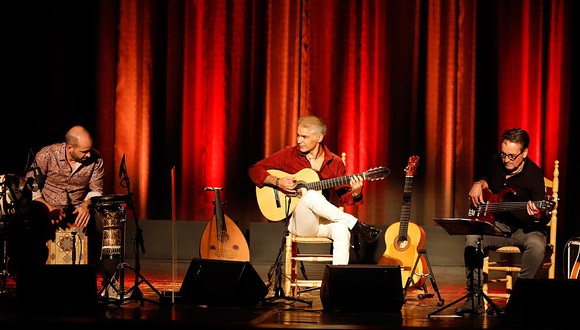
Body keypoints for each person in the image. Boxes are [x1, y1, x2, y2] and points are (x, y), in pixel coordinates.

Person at [248, 115, 382, 265]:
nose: (299, 140)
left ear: (319, 137)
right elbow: (254, 170)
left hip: (324, 222)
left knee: (342, 231)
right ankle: (356, 225)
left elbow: (344, 197)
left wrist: (356, 193)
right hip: (299, 223)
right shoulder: (289, 155)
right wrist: (278, 181)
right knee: (310, 194)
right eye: (298, 135)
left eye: (304, 137)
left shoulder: (335, 162)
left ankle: (336, 283)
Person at [12, 126, 117, 297]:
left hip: (78, 207)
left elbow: (96, 190)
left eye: (89, 150)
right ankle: (29, 280)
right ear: (70, 148)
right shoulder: (47, 155)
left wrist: (86, 205)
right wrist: (48, 208)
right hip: (47, 206)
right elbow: (32, 188)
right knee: (27, 220)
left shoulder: (95, 158)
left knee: (104, 222)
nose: (88, 155)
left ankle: (108, 280)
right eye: (84, 151)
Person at [454, 128, 549, 315]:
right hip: (497, 226)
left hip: (525, 230)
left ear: (525, 153)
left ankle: (517, 302)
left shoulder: (534, 176)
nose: (506, 160)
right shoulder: (496, 161)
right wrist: (479, 183)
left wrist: (537, 213)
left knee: (537, 245)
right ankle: (474, 301)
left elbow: (542, 216)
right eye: (503, 154)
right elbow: (488, 178)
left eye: (512, 156)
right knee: (472, 238)